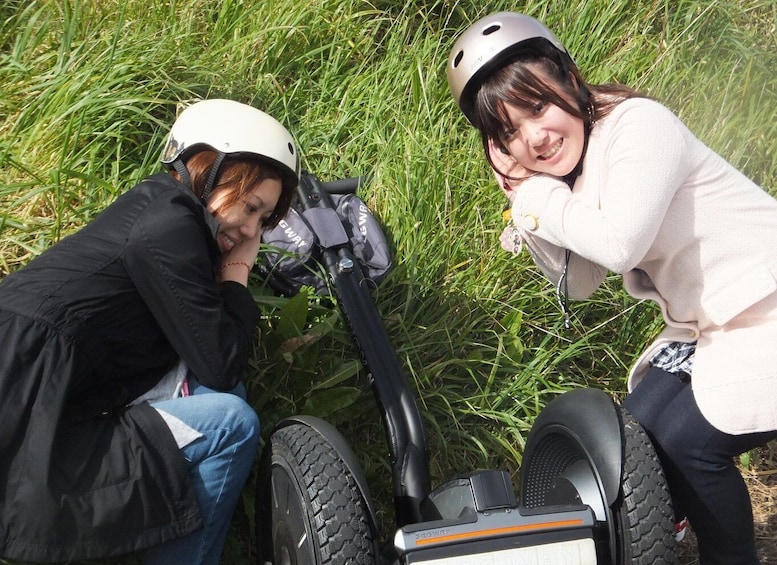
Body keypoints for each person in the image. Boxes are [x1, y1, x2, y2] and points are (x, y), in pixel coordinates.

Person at [447, 11, 777, 564]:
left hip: (766, 309)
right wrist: (535, 200)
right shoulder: (573, 165)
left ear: (569, 79)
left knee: (690, 446)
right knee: (637, 439)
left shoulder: (638, 126)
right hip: (720, 326)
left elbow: (620, 244)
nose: (535, 137)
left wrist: (532, 198)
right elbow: (579, 281)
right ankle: (651, 540)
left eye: (537, 106)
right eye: (508, 133)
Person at [0, 98, 299, 564]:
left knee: (226, 400)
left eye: (264, 222)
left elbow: (216, 364)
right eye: (250, 207)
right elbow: (220, 361)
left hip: (47, 399)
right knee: (232, 425)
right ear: (207, 166)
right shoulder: (169, 223)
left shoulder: (161, 213)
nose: (250, 232)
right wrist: (237, 277)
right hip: (24, 416)